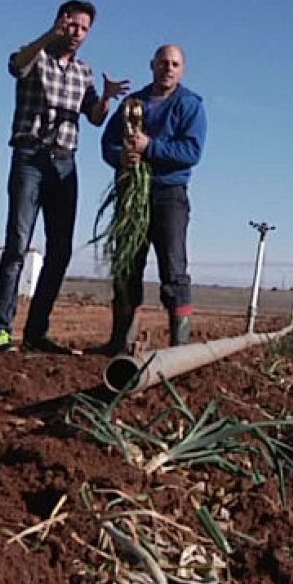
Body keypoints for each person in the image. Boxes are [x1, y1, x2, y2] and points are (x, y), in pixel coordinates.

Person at [0, 0, 129, 353]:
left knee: (60, 250)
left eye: (83, 29)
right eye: (71, 25)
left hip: (65, 163)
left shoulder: (83, 72)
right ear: (59, 22)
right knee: (18, 244)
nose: (76, 33)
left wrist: (108, 98)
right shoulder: (36, 55)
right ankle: (1, 329)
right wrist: (47, 37)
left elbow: (95, 118)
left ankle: (36, 332)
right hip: (30, 157)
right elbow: (16, 66)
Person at [96, 44, 207, 355]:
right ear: (152, 65)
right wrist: (124, 157)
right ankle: (121, 341)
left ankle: (179, 347)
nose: (167, 68)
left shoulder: (190, 105)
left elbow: (191, 152)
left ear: (182, 69)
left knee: (173, 269)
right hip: (132, 193)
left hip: (169, 195)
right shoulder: (134, 103)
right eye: (162, 63)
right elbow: (108, 143)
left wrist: (149, 147)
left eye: (174, 64)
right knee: (127, 265)